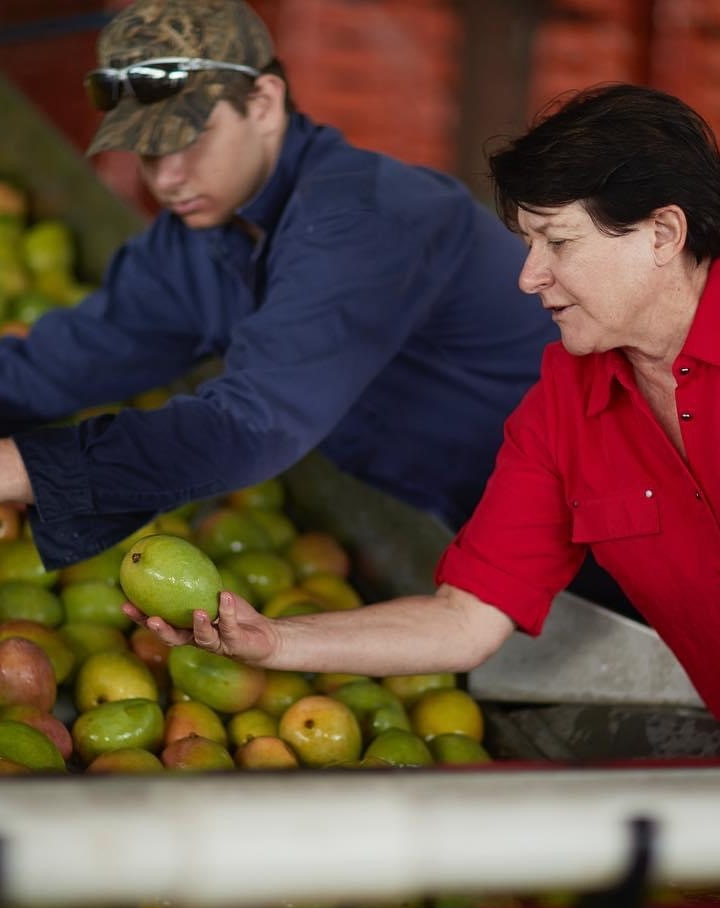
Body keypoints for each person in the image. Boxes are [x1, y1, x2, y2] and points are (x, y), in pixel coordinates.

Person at [128, 82, 720, 722]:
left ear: (661, 233)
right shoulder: (564, 403)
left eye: (559, 242)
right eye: (526, 244)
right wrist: (275, 641)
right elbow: (466, 617)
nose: (528, 277)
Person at [0, 0, 556, 572]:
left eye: (189, 140)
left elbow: (248, 426)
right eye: (146, 151)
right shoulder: (194, 241)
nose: (165, 178)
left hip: (584, 522)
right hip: (452, 531)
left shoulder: (368, 216)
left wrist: (16, 472)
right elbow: (63, 363)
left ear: (262, 104)